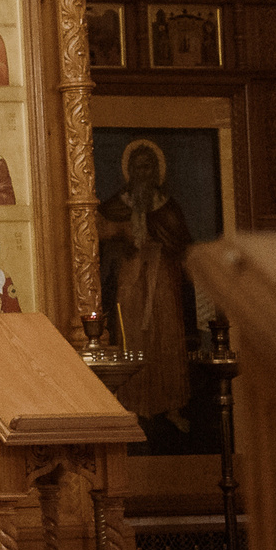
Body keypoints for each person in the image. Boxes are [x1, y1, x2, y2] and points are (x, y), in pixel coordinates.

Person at [97, 139, 196, 428]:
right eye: (138, 168)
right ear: (129, 171)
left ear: (157, 171)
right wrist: (120, 239)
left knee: (165, 338)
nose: (143, 173)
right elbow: (97, 235)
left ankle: (170, 405)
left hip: (162, 282)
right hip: (130, 282)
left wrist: (163, 250)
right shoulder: (116, 206)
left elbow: (183, 246)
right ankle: (133, 404)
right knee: (132, 338)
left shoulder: (169, 208)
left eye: (148, 167)